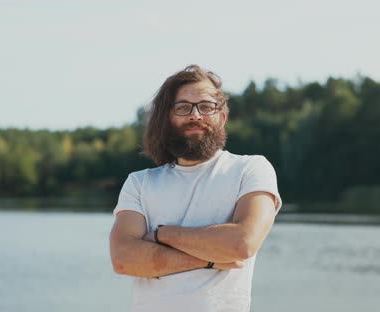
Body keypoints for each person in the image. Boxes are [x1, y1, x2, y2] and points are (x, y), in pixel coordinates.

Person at [109, 65, 282, 312]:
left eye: (206, 106)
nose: (195, 115)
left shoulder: (251, 169)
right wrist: (211, 260)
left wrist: (161, 235)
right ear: (169, 119)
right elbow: (124, 259)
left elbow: (241, 244)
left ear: (222, 117)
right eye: (183, 107)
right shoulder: (139, 183)